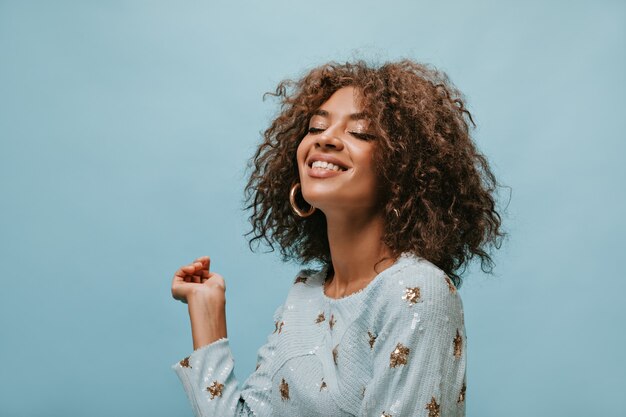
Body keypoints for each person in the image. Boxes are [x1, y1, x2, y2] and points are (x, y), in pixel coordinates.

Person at [170, 59, 504, 417]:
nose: (325, 138)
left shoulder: (416, 291)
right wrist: (206, 312)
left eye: (360, 132)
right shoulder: (306, 293)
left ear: (405, 169)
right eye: (316, 127)